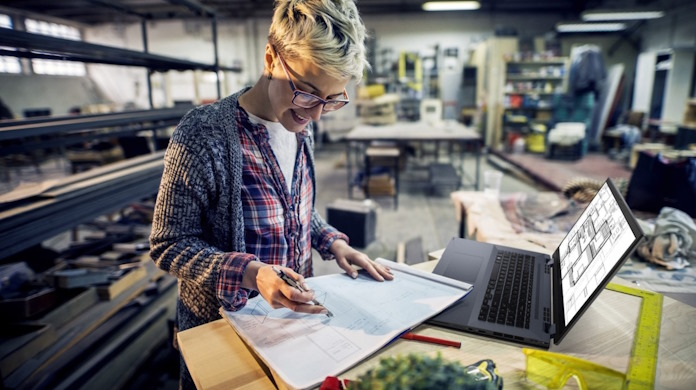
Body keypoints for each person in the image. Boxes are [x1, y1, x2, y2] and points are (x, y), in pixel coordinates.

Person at [149, 0, 393, 387]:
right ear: (270, 58)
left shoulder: (300, 127)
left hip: (293, 331)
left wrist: (333, 243)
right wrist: (252, 273)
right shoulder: (204, 133)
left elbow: (295, 211)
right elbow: (168, 243)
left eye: (332, 101)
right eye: (308, 93)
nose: (314, 114)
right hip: (224, 335)